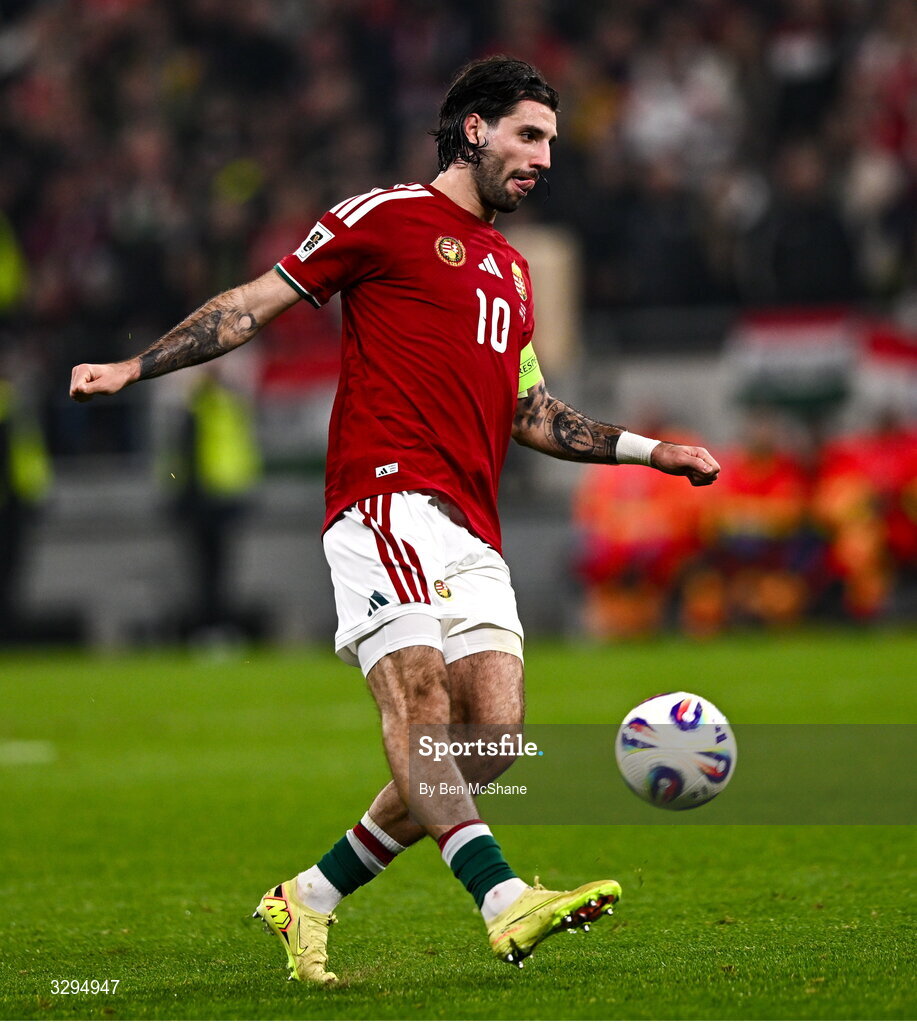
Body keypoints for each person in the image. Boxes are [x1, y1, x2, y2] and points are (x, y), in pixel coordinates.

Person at [70, 56, 720, 984]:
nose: (543, 158)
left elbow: (533, 413)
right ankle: (502, 897)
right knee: (419, 704)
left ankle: (308, 896)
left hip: (470, 524)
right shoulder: (383, 216)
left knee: (492, 736)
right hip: (383, 496)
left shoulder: (513, 273)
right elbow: (252, 306)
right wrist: (135, 367)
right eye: (528, 135)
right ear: (473, 130)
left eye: (550, 142)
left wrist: (653, 451)